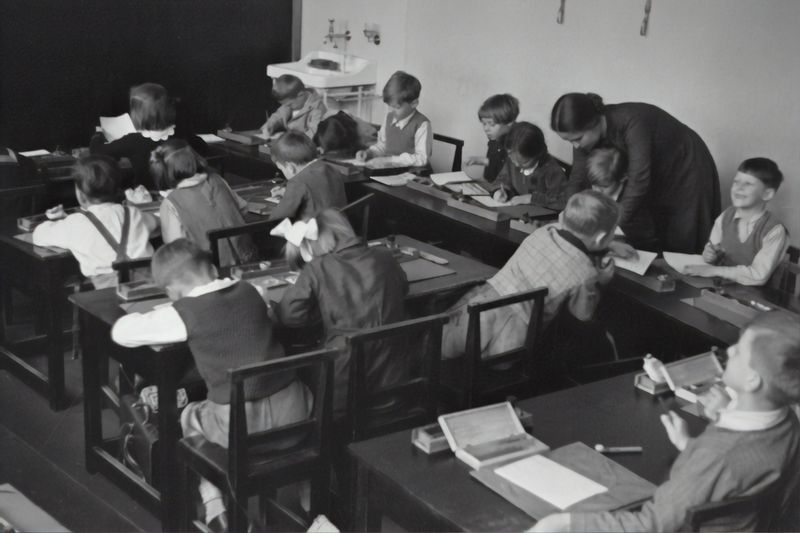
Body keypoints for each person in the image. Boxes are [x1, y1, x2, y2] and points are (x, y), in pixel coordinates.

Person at [532, 311, 800, 532]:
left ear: (753, 380)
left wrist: (564, 525)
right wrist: (692, 444)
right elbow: (744, 466)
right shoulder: (788, 423)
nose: (729, 351)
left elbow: (652, 525)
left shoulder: (717, 456)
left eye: (740, 351)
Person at [111, 239, 312, 531]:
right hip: (297, 416)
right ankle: (312, 505)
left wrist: (169, 309)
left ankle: (216, 506)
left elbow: (121, 332)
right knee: (291, 393)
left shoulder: (183, 313)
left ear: (172, 290)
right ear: (214, 268)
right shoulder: (252, 291)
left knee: (189, 415)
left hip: (240, 430)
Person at [441, 190, 618, 360]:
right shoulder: (586, 274)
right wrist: (600, 281)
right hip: (507, 340)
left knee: (447, 346)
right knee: (598, 340)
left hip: (475, 307)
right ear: (601, 238)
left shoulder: (543, 232)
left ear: (562, 218)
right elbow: (581, 319)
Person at [270, 209, 408, 417]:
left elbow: (291, 316)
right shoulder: (386, 256)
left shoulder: (319, 268)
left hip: (344, 384)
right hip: (395, 375)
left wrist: (323, 307)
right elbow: (403, 289)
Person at [551, 92, 721, 253]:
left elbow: (639, 181)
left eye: (578, 139)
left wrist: (608, 229)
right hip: (657, 172)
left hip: (687, 168)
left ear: (593, 123)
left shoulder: (633, 121)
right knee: (656, 233)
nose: (575, 146)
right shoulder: (583, 137)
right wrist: (569, 218)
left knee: (684, 237)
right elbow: (576, 179)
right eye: (569, 141)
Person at [32, 155, 156, 288]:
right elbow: (156, 223)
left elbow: (38, 235)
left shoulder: (74, 223)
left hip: (108, 297)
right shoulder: (133, 213)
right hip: (150, 289)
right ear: (116, 189)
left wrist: (62, 220)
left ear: (79, 193)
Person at [150, 139, 257, 267]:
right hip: (246, 259)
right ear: (195, 158)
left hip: (205, 269)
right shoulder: (218, 180)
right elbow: (243, 208)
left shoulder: (171, 203)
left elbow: (175, 246)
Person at [684, 158, 788, 286]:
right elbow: (712, 251)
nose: (739, 188)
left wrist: (713, 270)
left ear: (767, 194)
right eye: (736, 182)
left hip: (754, 298)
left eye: (748, 184)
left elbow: (758, 276)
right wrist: (709, 256)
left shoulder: (774, 230)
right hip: (718, 288)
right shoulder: (726, 216)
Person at [90, 83, 177, 190]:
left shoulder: (132, 141)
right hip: (178, 196)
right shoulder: (181, 132)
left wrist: (98, 133)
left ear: (136, 114)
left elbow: (96, 151)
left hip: (146, 199)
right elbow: (203, 149)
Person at [586, 147, 660, 251]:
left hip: (638, 248)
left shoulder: (633, 203)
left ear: (622, 178)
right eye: (594, 185)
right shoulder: (602, 188)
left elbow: (646, 239)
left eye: (604, 187)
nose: (597, 191)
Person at [356, 71, 432, 169]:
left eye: (396, 107)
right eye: (389, 107)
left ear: (414, 103)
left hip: (414, 174)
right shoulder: (389, 118)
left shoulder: (422, 124)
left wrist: (391, 160)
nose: (391, 111)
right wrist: (369, 153)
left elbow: (422, 158)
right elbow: (383, 145)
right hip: (391, 171)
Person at [268, 131, 347, 222]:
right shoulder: (332, 169)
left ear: (290, 167)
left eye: (281, 169)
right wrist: (287, 193)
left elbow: (276, 218)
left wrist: (287, 196)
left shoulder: (297, 182)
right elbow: (317, 192)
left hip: (314, 233)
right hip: (340, 230)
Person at [491, 122, 569, 210]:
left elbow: (562, 201)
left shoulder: (551, 170)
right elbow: (502, 180)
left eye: (524, 162)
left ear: (538, 154)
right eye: (512, 158)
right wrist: (500, 191)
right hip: (516, 213)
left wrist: (531, 198)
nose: (516, 165)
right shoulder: (513, 161)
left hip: (541, 219)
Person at [465, 94, 520, 182]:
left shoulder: (516, 144)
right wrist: (481, 161)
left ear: (509, 122)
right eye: (484, 124)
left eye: (491, 124)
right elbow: (495, 166)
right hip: (491, 187)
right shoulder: (495, 138)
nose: (486, 129)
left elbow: (507, 175)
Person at [262, 74, 327, 140]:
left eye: (290, 104)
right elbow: (279, 115)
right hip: (289, 141)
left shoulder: (318, 108)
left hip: (303, 145)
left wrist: (287, 139)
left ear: (300, 95)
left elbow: (313, 134)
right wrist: (269, 125)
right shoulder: (292, 100)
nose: (287, 107)